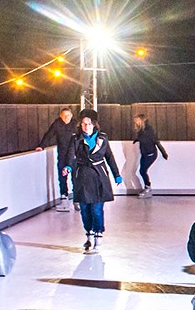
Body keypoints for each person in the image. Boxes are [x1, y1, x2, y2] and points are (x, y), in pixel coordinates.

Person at [68, 110, 122, 253]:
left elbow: (109, 156)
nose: (86, 127)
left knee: (97, 209)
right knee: (85, 209)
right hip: (83, 178)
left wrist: (117, 174)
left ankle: (98, 234)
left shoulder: (102, 138)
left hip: (99, 177)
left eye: (89, 124)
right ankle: (89, 234)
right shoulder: (76, 139)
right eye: (84, 124)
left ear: (94, 125)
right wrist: (67, 166)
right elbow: (70, 154)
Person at [35, 107, 76, 211]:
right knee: (62, 177)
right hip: (62, 154)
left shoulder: (76, 124)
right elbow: (48, 135)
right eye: (64, 115)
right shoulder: (57, 124)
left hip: (75, 155)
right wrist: (41, 145)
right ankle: (64, 198)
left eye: (68, 115)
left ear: (71, 116)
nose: (66, 118)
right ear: (60, 116)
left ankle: (77, 199)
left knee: (76, 177)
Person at [131, 113, 169, 199]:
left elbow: (156, 142)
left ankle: (148, 188)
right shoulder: (141, 130)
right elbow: (142, 138)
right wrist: (137, 140)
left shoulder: (148, 131)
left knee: (142, 171)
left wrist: (164, 153)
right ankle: (147, 188)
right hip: (144, 154)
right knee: (142, 171)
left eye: (136, 120)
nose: (135, 122)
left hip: (150, 154)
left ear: (141, 120)